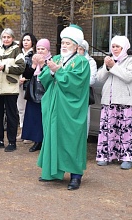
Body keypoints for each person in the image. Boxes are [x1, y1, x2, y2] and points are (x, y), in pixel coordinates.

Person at [37, 24, 90, 190]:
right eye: (63, 43)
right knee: (54, 136)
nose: (64, 46)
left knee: (72, 139)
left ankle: (76, 176)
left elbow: (76, 83)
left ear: (76, 45)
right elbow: (45, 78)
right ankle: (53, 171)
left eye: (68, 43)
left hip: (71, 108)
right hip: (55, 106)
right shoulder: (58, 59)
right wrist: (50, 70)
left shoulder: (81, 62)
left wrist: (58, 72)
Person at [95, 36, 132, 170]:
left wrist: (114, 66)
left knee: (125, 131)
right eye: (113, 46)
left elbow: (128, 77)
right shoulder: (109, 60)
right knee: (107, 130)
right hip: (109, 101)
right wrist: (107, 67)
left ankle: (126, 157)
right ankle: (104, 155)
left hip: (124, 101)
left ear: (124, 47)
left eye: (117, 47)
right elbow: (99, 78)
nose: (114, 49)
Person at [0, 28, 25, 152]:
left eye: (8, 37)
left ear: (13, 38)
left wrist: (5, 68)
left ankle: (12, 141)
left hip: (10, 88)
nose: (6, 39)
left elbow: (21, 68)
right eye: (4, 37)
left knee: (11, 116)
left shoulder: (17, 51)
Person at [21, 38, 52, 152]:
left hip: (45, 93)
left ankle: (44, 141)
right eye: (38, 49)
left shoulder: (52, 60)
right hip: (33, 92)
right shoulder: (32, 59)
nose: (40, 51)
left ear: (47, 49)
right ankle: (36, 141)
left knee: (43, 118)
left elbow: (50, 76)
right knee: (33, 118)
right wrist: (34, 65)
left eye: (42, 49)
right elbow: (27, 75)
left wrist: (43, 65)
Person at [17, 33, 37, 144]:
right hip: (18, 85)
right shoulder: (19, 54)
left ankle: (29, 134)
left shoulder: (34, 54)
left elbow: (35, 71)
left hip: (29, 85)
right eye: (24, 40)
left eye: (28, 40)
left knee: (29, 109)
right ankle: (22, 131)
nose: (25, 42)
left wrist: (25, 79)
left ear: (32, 42)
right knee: (21, 109)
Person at [77, 40, 98, 136]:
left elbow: (92, 80)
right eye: (76, 48)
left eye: (80, 49)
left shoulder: (90, 62)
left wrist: (76, 82)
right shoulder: (71, 60)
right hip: (71, 92)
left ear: (85, 50)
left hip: (84, 92)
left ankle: (84, 137)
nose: (78, 51)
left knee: (84, 117)